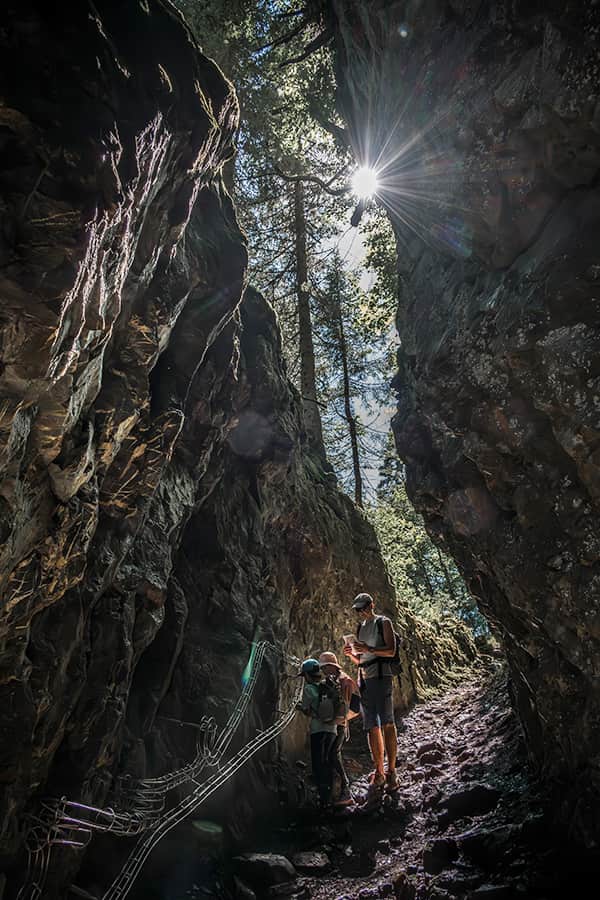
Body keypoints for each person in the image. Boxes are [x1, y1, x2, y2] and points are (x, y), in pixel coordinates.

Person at [343, 592, 399, 801]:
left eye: (364, 607)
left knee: (387, 723)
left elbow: (391, 651)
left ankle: (392, 771)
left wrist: (368, 648)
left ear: (371, 604)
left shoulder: (383, 622)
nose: (361, 612)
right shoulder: (360, 627)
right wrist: (352, 654)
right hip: (364, 679)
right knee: (371, 726)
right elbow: (362, 660)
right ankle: (379, 771)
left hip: (382, 677)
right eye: (358, 609)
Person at [317, 651, 360, 806]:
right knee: (332, 755)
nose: (322, 671)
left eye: (323, 667)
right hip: (336, 724)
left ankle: (345, 791)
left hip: (339, 725)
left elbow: (356, 706)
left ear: (330, 666)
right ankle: (336, 792)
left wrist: (341, 719)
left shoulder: (344, 681)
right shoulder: (335, 679)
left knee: (333, 755)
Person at [296, 658, 337, 809]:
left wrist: (299, 708)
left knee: (318, 764)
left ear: (306, 675)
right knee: (327, 762)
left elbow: (307, 709)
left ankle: (323, 800)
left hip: (318, 730)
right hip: (332, 729)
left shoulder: (309, 689)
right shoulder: (327, 685)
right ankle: (331, 796)